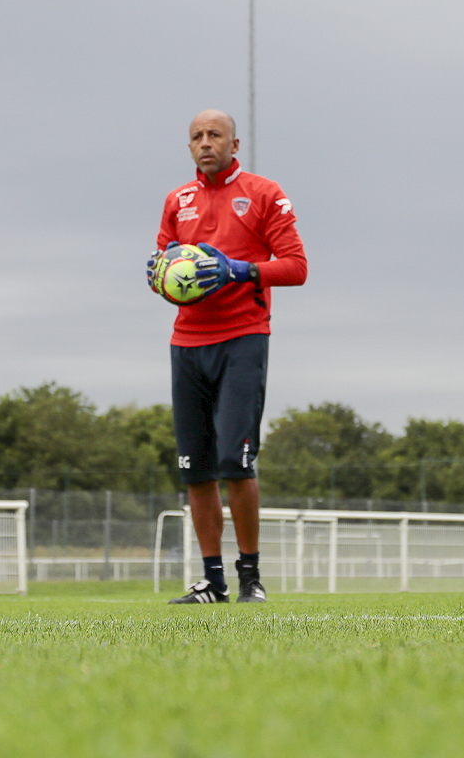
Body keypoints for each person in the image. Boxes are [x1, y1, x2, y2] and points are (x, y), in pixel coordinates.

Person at [148, 110, 307, 604]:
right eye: (196, 136)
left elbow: (296, 267)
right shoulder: (178, 200)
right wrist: (160, 273)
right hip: (187, 343)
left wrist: (241, 271)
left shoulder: (264, 194)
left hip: (243, 338)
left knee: (234, 463)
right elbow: (163, 263)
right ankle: (212, 581)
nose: (205, 143)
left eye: (214, 135)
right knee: (196, 469)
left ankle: (249, 577)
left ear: (235, 144)